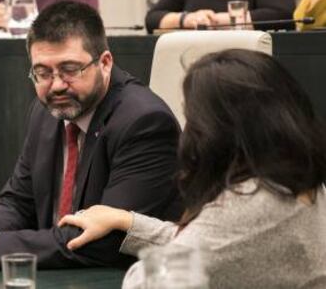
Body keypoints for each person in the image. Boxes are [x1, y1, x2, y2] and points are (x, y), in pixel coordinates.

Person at [0, 1, 183, 269]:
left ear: (105, 63)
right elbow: (19, 201)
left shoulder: (144, 122)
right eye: (43, 72)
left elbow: (106, 243)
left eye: (70, 70)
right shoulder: (45, 111)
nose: (57, 85)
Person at [58, 49, 326, 288]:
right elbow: (213, 242)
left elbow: (145, 282)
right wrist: (127, 221)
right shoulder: (295, 177)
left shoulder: (250, 200)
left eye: (193, 117)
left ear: (219, 129)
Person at [145, 0, 295, 33]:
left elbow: (282, 13)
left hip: (255, 64)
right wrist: (188, 19)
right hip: (197, 63)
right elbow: (152, 19)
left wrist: (216, 20)